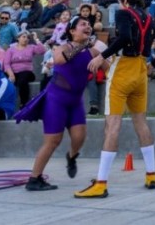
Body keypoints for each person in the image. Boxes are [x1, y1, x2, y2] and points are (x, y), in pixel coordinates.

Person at [74, 0, 155, 199]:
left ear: (125, 0)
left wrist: (101, 56)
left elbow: (125, 37)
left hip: (123, 70)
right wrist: (153, 64)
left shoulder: (124, 13)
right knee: (141, 123)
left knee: (112, 125)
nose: (119, 5)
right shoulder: (152, 20)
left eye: (120, 1)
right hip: (141, 71)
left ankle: (101, 183)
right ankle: (151, 175)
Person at [20, 17, 100, 191]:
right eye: (83, 24)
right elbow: (60, 60)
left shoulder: (93, 52)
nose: (88, 26)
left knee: (79, 137)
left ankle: (71, 157)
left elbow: (109, 66)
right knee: (53, 141)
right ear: (72, 31)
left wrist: (105, 57)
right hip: (56, 100)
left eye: (89, 24)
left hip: (75, 102)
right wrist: (81, 46)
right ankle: (34, 179)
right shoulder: (62, 48)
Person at [3, 30, 47, 106]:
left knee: (22, 80)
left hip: (27, 72)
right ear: (18, 38)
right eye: (23, 37)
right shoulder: (11, 50)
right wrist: (11, 74)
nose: (26, 39)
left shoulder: (31, 47)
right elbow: (6, 63)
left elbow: (42, 51)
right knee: (4, 79)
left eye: (28, 38)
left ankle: (23, 103)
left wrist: (36, 39)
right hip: (13, 73)